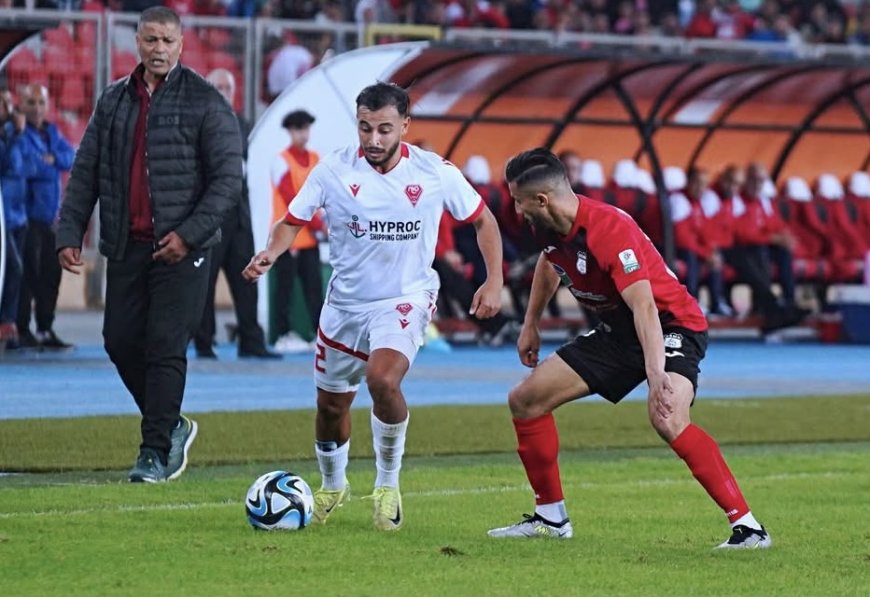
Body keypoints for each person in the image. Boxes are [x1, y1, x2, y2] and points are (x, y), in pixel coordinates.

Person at [243, 82, 504, 531]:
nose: (374, 139)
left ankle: (387, 486)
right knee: (330, 407)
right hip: (345, 305)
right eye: (365, 128)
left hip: (404, 298)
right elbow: (291, 222)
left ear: (405, 125)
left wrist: (494, 279)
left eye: (384, 128)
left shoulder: (434, 172)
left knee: (382, 379)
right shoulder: (332, 171)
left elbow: (484, 220)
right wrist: (272, 251)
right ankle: (332, 486)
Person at [487, 148, 771, 550]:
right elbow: (550, 263)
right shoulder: (546, 226)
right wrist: (531, 323)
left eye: (518, 201)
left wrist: (657, 377)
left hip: (672, 325)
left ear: (541, 200)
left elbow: (645, 306)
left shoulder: (608, 228)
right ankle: (551, 518)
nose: (515, 209)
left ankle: (750, 529)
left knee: (668, 417)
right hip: (619, 332)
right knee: (526, 400)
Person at [56, 7, 243, 483]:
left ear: (182, 45)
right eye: (151, 40)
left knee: (164, 345)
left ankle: (154, 453)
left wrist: (190, 234)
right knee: (118, 341)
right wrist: (69, 230)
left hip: (183, 249)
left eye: (168, 41)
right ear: (136, 42)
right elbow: (86, 170)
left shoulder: (205, 101)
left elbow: (227, 180)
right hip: (127, 242)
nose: (159, 49)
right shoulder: (113, 99)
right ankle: (171, 423)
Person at [193, 68, 280, 360]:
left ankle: (251, 340)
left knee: (248, 279)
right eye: (216, 86)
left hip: (239, 216)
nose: (222, 92)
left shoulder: (243, 125)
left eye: (226, 87)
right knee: (204, 283)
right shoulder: (198, 124)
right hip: (211, 216)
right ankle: (204, 342)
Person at [16, 84, 76, 350]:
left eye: (41, 102)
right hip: (28, 218)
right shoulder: (16, 133)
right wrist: (49, 161)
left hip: (52, 218)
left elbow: (69, 157)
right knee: (28, 277)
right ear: (22, 104)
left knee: (51, 276)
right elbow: (27, 165)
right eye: (31, 103)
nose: (37, 108)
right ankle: (20, 329)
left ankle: (44, 328)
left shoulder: (52, 131)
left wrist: (51, 159)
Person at [269, 109, 324, 353]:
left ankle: (320, 336)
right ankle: (282, 334)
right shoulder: (281, 161)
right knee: (285, 290)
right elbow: (292, 199)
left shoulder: (315, 159)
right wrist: (320, 226)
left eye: (306, 128)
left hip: (309, 239)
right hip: (286, 239)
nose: (303, 134)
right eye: (298, 129)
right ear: (290, 131)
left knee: (315, 290)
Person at [0, 92, 31, 348]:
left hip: (19, 214)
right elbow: (10, 166)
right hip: (5, 216)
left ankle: (12, 326)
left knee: (19, 270)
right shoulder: (10, 136)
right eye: (3, 103)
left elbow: (28, 167)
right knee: (14, 267)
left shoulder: (13, 134)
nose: (8, 107)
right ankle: (7, 321)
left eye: (10, 102)